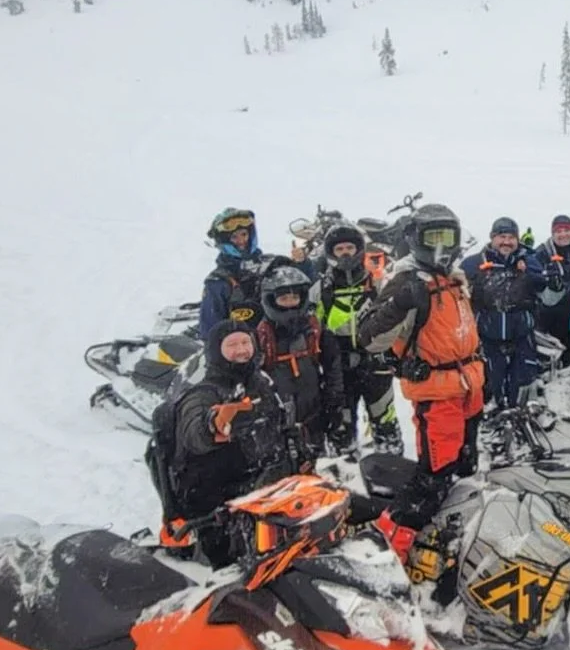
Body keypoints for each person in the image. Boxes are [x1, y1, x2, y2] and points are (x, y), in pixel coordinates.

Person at [353, 204, 485, 559]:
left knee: (464, 465)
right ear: (416, 240)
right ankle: (389, 548)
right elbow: (368, 337)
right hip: (437, 390)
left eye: (448, 237)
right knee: (435, 474)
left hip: (468, 384)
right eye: (433, 237)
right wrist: (397, 305)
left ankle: (445, 534)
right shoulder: (408, 281)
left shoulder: (456, 278)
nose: (441, 246)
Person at [149, 320, 289, 565]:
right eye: (232, 345)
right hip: (214, 501)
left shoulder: (259, 381)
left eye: (246, 342)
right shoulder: (205, 391)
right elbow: (194, 433)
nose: (241, 350)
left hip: (258, 488)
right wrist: (213, 425)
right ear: (216, 351)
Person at [317, 221, 395, 448]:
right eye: (339, 249)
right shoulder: (322, 288)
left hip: (376, 364)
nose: (345, 254)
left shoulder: (378, 283)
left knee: (386, 423)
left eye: (349, 248)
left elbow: (396, 319)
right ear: (331, 253)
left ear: (358, 249)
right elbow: (313, 326)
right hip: (339, 369)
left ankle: (391, 465)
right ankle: (342, 471)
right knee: (340, 427)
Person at [255, 263, 343, 463]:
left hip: (313, 409)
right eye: (283, 298)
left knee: (315, 460)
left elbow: (332, 366)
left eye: (295, 297)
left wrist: (334, 400)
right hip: (277, 415)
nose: (290, 303)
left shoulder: (314, 329)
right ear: (271, 300)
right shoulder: (259, 336)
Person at [462, 217, 546, 409]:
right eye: (502, 237)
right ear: (492, 238)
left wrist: (528, 269)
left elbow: (545, 287)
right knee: (490, 388)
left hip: (522, 338)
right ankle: (494, 425)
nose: (506, 242)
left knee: (523, 387)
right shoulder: (473, 263)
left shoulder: (528, 260)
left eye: (511, 237)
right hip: (487, 339)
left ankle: (522, 427)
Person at [200, 208, 266, 335]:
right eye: (234, 237)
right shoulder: (217, 283)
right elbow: (210, 331)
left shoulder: (270, 265)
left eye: (244, 234)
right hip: (240, 347)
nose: (241, 241)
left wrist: (301, 263)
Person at [536, 214, 570, 365]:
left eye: (566, 230)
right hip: (554, 313)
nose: (563, 235)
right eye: (558, 231)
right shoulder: (542, 253)